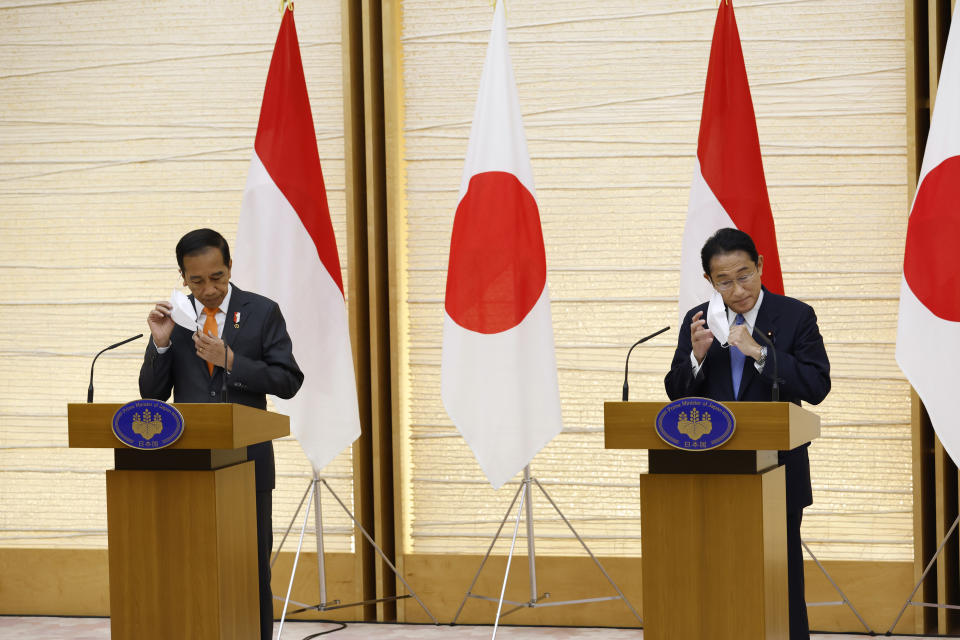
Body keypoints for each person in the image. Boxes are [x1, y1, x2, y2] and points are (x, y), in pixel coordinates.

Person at [664, 227, 830, 640]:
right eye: (724, 281)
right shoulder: (699, 320)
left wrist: (759, 352)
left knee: (781, 582)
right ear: (709, 281)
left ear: (760, 266)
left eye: (744, 275)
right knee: (716, 578)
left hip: (779, 471)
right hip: (711, 474)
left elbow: (816, 385)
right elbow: (676, 393)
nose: (737, 289)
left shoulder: (795, 316)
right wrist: (697, 358)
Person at [139, 228, 304, 640]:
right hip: (186, 464)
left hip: (247, 464)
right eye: (197, 281)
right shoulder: (174, 319)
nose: (209, 289)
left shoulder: (262, 311)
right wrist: (160, 346)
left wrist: (231, 360)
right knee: (187, 567)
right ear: (183, 278)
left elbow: (288, 380)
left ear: (229, 268)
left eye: (217, 277)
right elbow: (151, 395)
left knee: (248, 568)